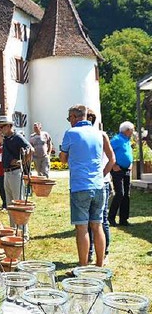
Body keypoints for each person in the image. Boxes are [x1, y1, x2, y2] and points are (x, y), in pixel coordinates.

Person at [60, 104, 106, 267]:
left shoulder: (71, 133)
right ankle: (100, 264)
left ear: (74, 117)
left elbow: (63, 159)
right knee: (97, 225)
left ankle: (83, 266)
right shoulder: (99, 133)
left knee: (82, 228)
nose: (69, 121)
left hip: (80, 185)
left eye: (69, 118)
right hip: (99, 185)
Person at [87, 109, 115, 264]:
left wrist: (103, 175)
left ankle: (103, 252)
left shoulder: (100, 135)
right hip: (94, 182)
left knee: (101, 220)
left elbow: (111, 159)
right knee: (91, 222)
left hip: (101, 183)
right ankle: (91, 252)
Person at [0, 115, 33, 230]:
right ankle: (14, 230)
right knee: (10, 205)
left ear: (9, 126)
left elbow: (30, 149)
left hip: (15, 172)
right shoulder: (7, 138)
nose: (0, 129)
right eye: (0, 126)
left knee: (18, 203)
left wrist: (22, 161)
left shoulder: (17, 137)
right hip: (7, 173)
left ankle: (23, 232)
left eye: (2, 126)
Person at [108, 121, 134, 226]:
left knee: (126, 195)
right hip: (117, 170)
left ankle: (124, 219)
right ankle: (111, 217)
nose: (133, 132)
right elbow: (107, 152)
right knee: (120, 194)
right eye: (132, 130)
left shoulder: (127, 140)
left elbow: (128, 153)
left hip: (126, 169)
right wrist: (113, 165)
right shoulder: (117, 139)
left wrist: (130, 163)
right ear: (127, 130)